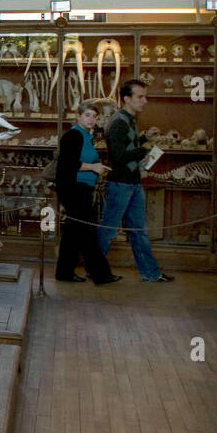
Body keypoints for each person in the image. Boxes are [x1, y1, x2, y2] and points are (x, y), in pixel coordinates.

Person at [98, 79, 175, 282]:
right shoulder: (117, 122)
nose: (145, 101)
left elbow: (126, 145)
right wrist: (145, 149)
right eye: (140, 97)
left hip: (132, 183)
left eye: (145, 96)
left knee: (139, 231)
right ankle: (95, 268)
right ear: (127, 99)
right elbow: (119, 156)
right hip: (120, 184)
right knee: (108, 229)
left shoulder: (129, 119)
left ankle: (150, 273)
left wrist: (143, 138)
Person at [55, 101, 120, 285]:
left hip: (81, 188)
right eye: (87, 115)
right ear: (79, 116)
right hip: (74, 189)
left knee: (73, 233)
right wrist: (94, 167)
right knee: (87, 231)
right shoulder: (74, 135)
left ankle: (64, 273)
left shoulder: (85, 136)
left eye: (94, 116)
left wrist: (97, 168)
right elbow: (68, 164)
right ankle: (101, 275)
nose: (91, 119)